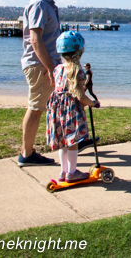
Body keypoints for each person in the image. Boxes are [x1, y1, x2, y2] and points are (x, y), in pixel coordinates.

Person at [18, 0, 64, 167]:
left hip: (49, 64)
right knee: (36, 108)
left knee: (60, 102)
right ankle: (27, 154)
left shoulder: (47, 4)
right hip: (41, 65)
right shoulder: (39, 4)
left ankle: (71, 141)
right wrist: (51, 68)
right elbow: (35, 40)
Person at [46, 31, 100, 183]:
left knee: (63, 142)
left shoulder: (57, 69)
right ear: (79, 52)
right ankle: (72, 172)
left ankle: (63, 172)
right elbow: (80, 96)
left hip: (57, 110)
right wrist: (93, 103)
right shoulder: (77, 71)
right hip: (71, 111)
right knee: (73, 142)